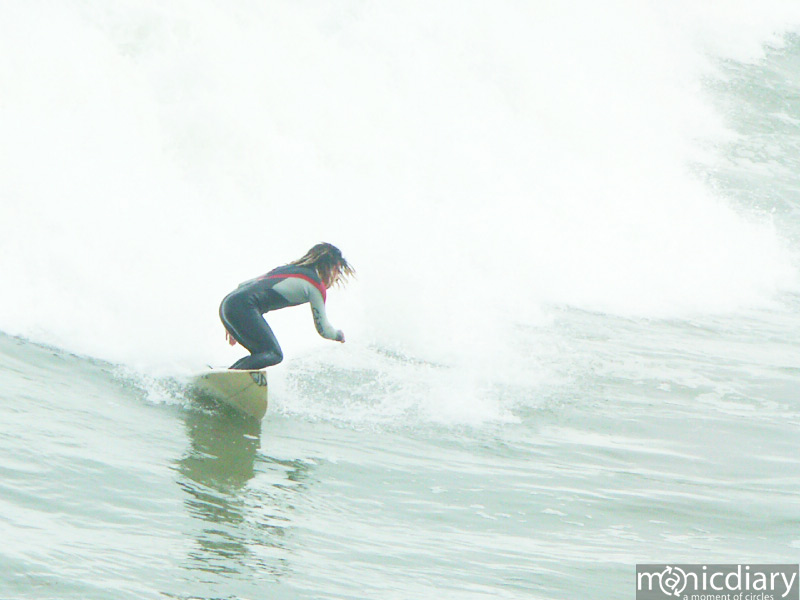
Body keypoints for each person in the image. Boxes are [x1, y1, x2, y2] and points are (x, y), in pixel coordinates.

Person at [219, 242, 354, 370]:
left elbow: (242, 285)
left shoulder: (286, 270)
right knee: (273, 354)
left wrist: (232, 320)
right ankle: (226, 378)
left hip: (228, 303)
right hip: (244, 306)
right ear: (333, 266)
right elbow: (324, 330)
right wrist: (338, 335)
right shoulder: (315, 285)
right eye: (338, 271)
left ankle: (225, 376)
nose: (337, 277)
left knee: (261, 352)